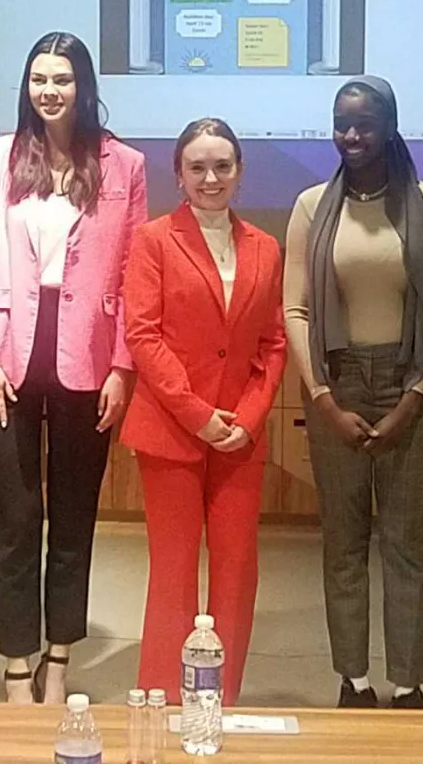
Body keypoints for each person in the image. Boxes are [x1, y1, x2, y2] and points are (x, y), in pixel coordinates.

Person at [0, 31, 143, 704]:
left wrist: (123, 367)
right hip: (9, 349)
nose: (50, 90)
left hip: (89, 353)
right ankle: (16, 660)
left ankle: (58, 655)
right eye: (39, 78)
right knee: (14, 513)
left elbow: (135, 271)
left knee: (73, 513)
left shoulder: (124, 164)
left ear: (83, 85)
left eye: (62, 78)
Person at [284, 77, 423, 709]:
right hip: (338, 380)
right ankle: (353, 680)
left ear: (390, 126)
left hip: (413, 379)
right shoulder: (311, 206)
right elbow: (296, 309)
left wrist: (414, 397)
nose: (352, 135)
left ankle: (407, 683)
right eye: (342, 123)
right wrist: (323, 398)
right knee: (344, 543)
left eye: (365, 123)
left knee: (407, 544)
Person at [120, 117, 286, 703]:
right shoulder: (153, 240)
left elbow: (273, 343)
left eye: (222, 166)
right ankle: (165, 698)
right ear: (179, 176)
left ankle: (222, 700)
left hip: (240, 436)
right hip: (172, 431)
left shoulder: (265, 247)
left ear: (240, 172)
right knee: (174, 571)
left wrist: (249, 417)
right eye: (197, 167)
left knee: (237, 572)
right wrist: (198, 415)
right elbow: (143, 335)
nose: (210, 178)